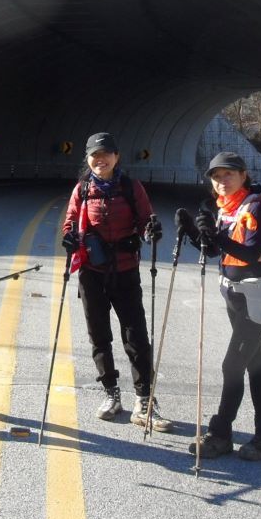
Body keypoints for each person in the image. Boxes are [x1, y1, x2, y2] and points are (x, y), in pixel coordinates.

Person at [177, 150, 261, 460]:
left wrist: (215, 235)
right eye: (216, 175)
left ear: (243, 175)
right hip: (235, 295)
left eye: (228, 174)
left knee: (232, 365)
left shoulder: (255, 207)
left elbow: (249, 252)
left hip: (258, 297)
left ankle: (221, 433)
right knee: (255, 365)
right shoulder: (227, 208)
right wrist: (193, 231)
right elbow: (215, 251)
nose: (222, 180)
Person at [60, 132, 170, 431]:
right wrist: (69, 237)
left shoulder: (131, 188)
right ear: (88, 159)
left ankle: (145, 400)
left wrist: (151, 231)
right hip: (91, 273)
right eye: (95, 155)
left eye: (106, 154)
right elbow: (70, 222)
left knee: (136, 336)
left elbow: (146, 220)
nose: (101, 159)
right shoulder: (82, 190)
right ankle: (111, 393)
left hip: (125, 271)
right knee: (99, 336)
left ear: (117, 157)